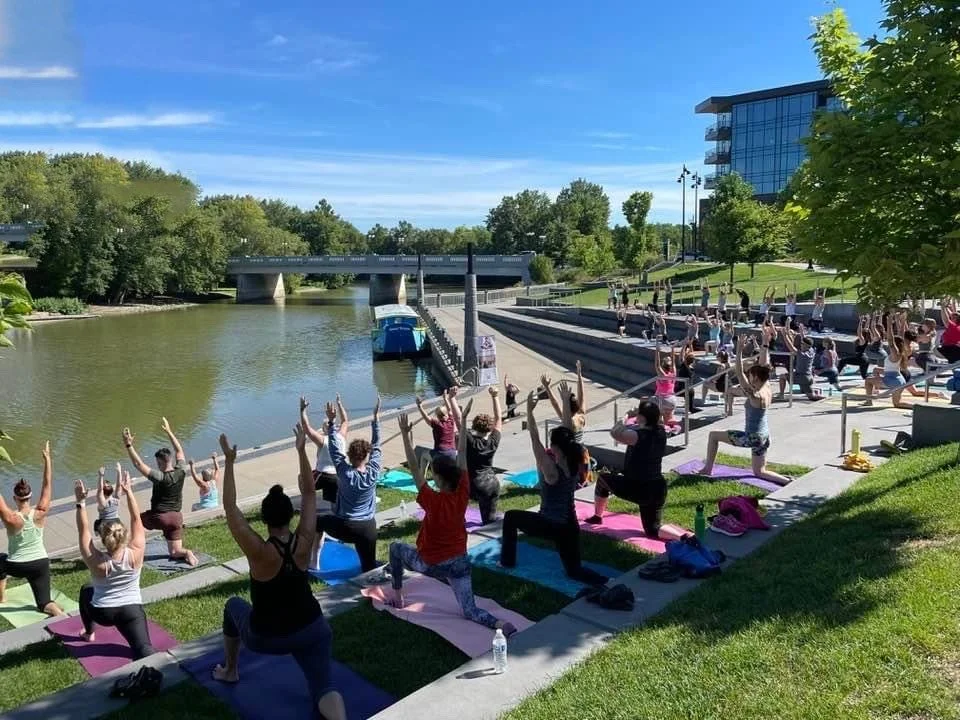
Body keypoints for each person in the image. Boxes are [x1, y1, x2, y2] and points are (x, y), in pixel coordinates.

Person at [214, 424, 346, 720]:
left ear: (264, 519)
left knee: (232, 606)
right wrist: (300, 450)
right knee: (325, 688)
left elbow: (230, 507)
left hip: (267, 637)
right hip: (312, 629)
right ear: (290, 514)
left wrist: (230, 462)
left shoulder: (259, 552)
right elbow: (310, 494)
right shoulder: (304, 539)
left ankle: (230, 671)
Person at [387, 408, 517, 635]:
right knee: (470, 610)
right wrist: (464, 420)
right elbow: (463, 456)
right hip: (459, 563)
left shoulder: (431, 500)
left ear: (438, 479)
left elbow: (415, 468)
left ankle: (398, 596)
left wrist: (406, 436)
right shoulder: (463, 492)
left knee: (395, 547)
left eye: (435, 475)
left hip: (431, 565)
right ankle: (499, 624)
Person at [499, 392, 608, 587]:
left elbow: (534, 440)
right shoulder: (574, 459)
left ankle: (506, 562)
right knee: (575, 571)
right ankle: (608, 582)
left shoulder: (551, 470)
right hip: (570, 526)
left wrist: (530, 413)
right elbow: (568, 431)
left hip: (549, 525)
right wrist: (566, 401)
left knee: (510, 517)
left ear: (555, 446)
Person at [74, 469, 154, 659]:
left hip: (103, 613)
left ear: (102, 538)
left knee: (86, 590)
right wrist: (129, 491)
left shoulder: (98, 562)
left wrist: (81, 502)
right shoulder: (136, 553)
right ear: (124, 534)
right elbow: (136, 519)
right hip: (131, 611)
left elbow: (83, 531)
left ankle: (88, 632)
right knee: (144, 650)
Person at [586, 401, 688, 540]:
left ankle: (597, 517)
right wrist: (640, 415)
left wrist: (626, 415)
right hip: (658, 487)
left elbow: (615, 432)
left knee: (603, 479)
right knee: (653, 530)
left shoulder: (637, 436)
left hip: (638, 488)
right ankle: (684, 537)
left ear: (642, 417)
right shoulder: (661, 432)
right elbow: (634, 432)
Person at [701, 336, 792, 485]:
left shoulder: (755, 395)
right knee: (760, 471)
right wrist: (765, 343)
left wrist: (738, 350)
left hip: (753, 437)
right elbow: (763, 364)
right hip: (764, 437)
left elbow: (739, 371)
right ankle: (788, 481)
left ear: (755, 377)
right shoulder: (767, 387)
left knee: (713, 436)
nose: (748, 377)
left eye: (750, 375)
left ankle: (707, 469)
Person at [316, 395, 382, 573]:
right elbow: (377, 446)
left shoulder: (344, 472)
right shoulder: (373, 471)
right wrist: (375, 419)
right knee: (368, 569)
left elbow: (335, 449)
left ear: (350, 456)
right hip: (368, 528)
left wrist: (331, 422)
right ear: (366, 456)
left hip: (345, 527)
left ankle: (309, 561)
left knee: (316, 522)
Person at [123, 418, 199, 566]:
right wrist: (169, 431)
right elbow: (179, 450)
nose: (156, 465)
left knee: (136, 520)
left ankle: (130, 553)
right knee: (175, 552)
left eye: (157, 463)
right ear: (170, 460)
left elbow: (138, 464)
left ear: (160, 462)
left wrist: (128, 445)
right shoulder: (182, 471)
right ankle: (187, 553)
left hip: (159, 517)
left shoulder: (160, 477)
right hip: (176, 519)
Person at [0, 441, 64, 617]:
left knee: (0, 560)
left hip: (17, 566)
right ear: (30, 496)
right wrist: (47, 459)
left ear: (15, 497)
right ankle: (62, 617)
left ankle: (1, 598)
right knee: (45, 603)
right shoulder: (41, 512)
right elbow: (47, 484)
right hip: (40, 564)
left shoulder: (11, 518)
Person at [453, 386, 503, 524]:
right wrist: (495, 396)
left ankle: (457, 520)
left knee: (455, 492)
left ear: (474, 426)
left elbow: (459, 420)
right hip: (492, 483)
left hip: (474, 484)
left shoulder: (470, 440)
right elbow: (499, 418)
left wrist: (452, 399)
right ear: (490, 428)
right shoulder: (493, 441)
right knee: (489, 521)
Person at [300, 395, 347, 506]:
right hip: (339, 474)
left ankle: (306, 502)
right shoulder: (342, 437)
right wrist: (339, 404)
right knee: (332, 500)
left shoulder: (322, 440)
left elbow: (306, 427)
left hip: (324, 475)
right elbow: (345, 421)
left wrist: (302, 410)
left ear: (325, 430)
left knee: (302, 478)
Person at [864, 314, 914, 409]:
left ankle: (868, 401)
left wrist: (889, 323)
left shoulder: (895, 353)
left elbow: (891, 340)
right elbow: (901, 335)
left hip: (893, 380)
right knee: (897, 404)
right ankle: (916, 407)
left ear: (895, 345)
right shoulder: (901, 352)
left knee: (868, 381)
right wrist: (902, 322)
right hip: (897, 379)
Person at [541, 360, 587, 442]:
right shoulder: (581, 415)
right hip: (579, 449)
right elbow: (582, 395)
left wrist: (547, 387)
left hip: (571, 451)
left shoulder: (567, 419)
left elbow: (555, 404)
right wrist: (579, 375)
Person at [778, 326, 823, 402]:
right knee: (811, 397)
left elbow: (791, 347)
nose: (800, 344)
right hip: (808, 377)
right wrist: (802, 332)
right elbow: (805, 340)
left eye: (802, 344)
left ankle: (781, 395)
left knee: (782, 376)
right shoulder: (811, 351)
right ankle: (819, 394)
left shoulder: (802, 354)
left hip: (802, 377)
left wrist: (785, 335)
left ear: (806, 346)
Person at [416, 391, 457, 461]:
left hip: (440, 453)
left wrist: (419, 406)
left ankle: (421, 472)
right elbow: (449, 409)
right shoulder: (451, 421)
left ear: (437, 416)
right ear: (446, 413)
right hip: (452, 452)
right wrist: (445, 398)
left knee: (424, 456)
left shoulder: (437, 424)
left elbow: (426, 417)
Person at [654, 344, 679, 428]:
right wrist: (672, 349)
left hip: (662, 399)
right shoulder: (673, 374)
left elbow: (657, 365)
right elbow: (674, 362)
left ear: (663, 366)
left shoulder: (663, 375)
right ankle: (671, 429)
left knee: (658, 415)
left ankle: (662, 429)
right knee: (668, 418)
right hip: (672, 400)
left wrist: (657, 351)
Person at [94, 465, 121, 535]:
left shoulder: (103, 503)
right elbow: (118, 485)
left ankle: (97, 532)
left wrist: (101, 476)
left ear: (103, 492)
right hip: (116, 522)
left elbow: (99, 490)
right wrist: (119, 471)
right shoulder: (116, 499)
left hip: (105, 524)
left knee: (96, 523)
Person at [937, 298, 960, 363]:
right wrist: (946, 307)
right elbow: (952, 314)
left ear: (955, 319)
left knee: (934, 349)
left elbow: (946, 320)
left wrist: (943, 307)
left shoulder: (954, 326)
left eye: (951, 317)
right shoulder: (957, 325)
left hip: (951, 350)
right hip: (955, 350)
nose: (950, 317)